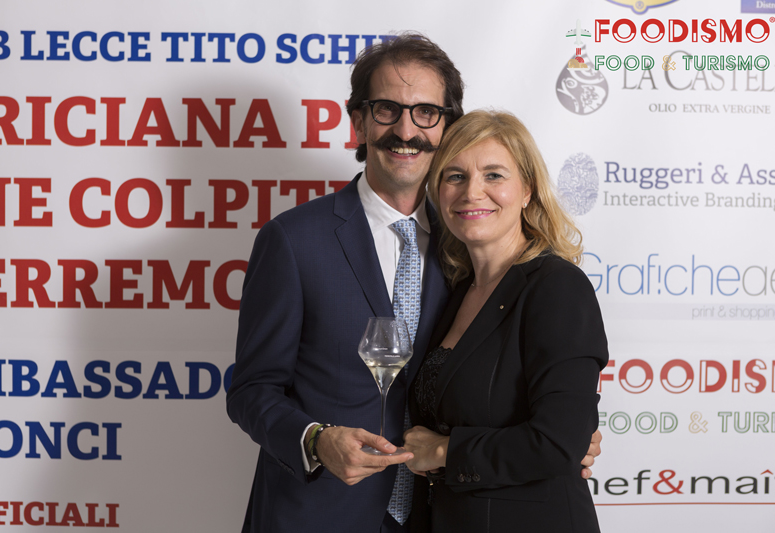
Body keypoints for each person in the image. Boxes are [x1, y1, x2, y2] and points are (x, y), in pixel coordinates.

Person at [226, 35, 601, 533]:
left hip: (439, 515)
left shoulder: (467, 243)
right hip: (320, 513)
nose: (406, 130)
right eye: (387, 109)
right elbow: (251, 389)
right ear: (359, 121)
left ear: (447, 127)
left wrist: (563, 438)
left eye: (426, 112)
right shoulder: (294, 241)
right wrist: (315, 439)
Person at [403, 110, 608, 533]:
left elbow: (558, 443)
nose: (471, 192)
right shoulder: (457, 291)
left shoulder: (557, 287)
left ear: (527, 190)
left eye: (493, 175)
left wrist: (443, 451)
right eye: (455, 176)